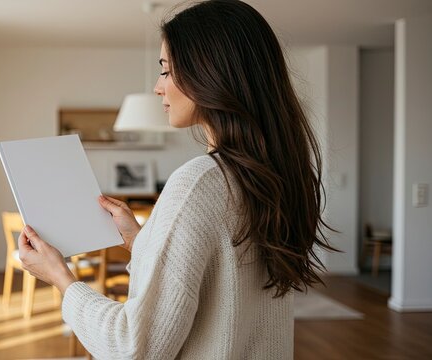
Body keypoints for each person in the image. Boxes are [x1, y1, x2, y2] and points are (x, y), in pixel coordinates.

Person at [17, 0, 338, 358]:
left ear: (210, 74)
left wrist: (61, 278)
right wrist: (140, 240)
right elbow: (219, 280)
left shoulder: (199, 182)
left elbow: (135, 347)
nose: (158, 87)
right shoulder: (269, 176)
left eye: (167, 71)